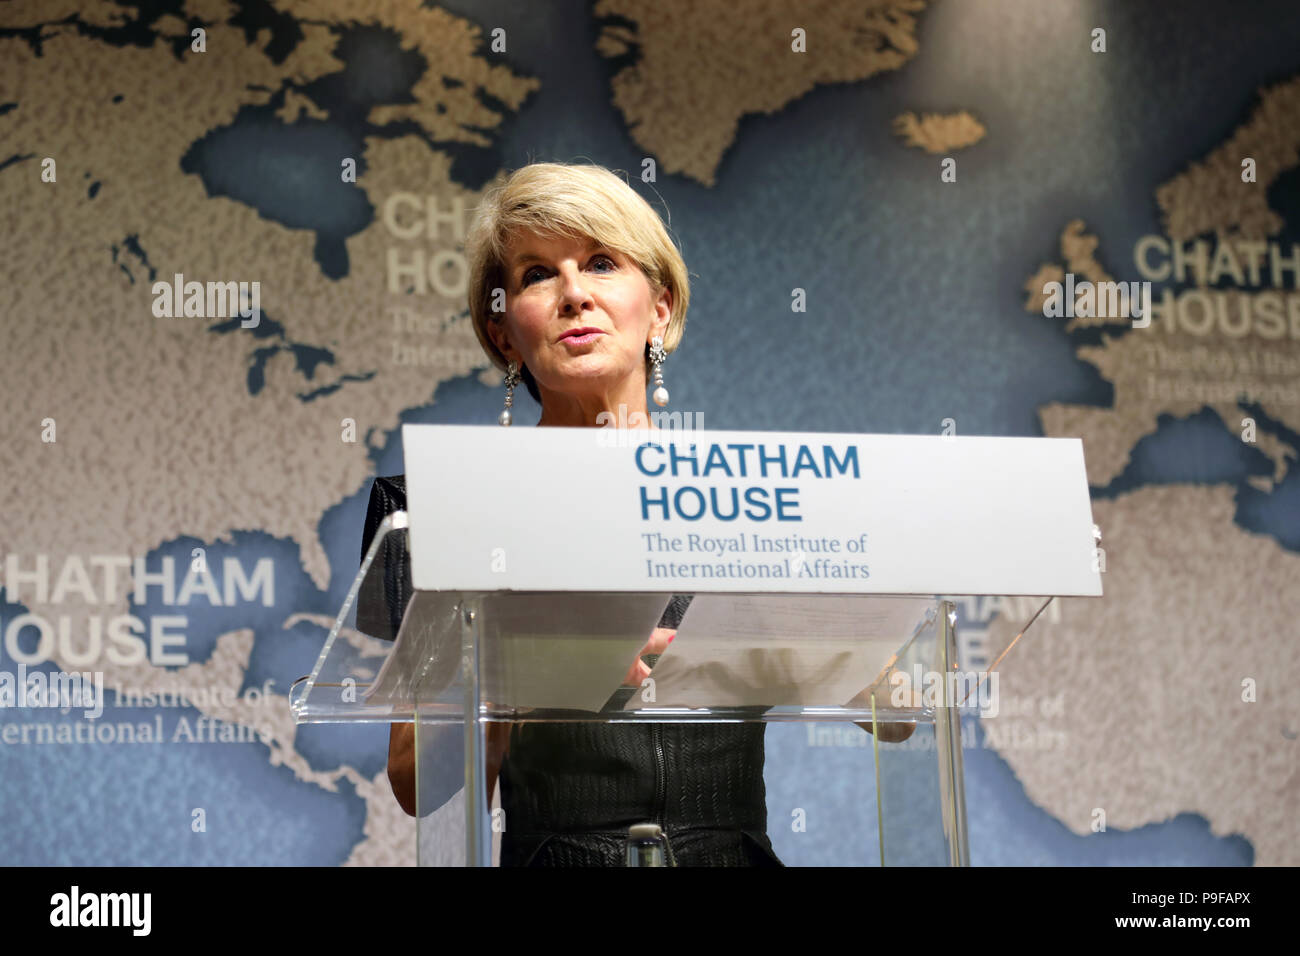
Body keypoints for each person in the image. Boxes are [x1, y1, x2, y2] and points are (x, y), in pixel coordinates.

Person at [369, 161, 909, 867]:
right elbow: (417, 783)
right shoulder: (441, 508)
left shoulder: (749, 498)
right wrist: (521, 679)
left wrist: (840, 650)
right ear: (503, 333)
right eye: (536, 275)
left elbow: (897, 716)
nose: (573, 294)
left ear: (659, 307)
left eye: (600, 262)